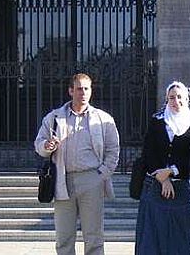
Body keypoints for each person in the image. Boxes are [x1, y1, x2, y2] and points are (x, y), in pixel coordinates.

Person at [34, 73, 120, 255]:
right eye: (79, 88)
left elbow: (113, 150)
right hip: (63, 180)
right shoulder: (54, 118)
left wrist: (102, 173)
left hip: (92, 179)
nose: (83, 93)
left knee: (94, 236)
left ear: (91, 92)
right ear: (70, 91)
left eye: (86, 89)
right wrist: (47, 146)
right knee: (64, 237)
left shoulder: (103, 119)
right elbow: (39, 145)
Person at [135, 81, 190, 255]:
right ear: (167, 100)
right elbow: (148, 152)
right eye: (172, 98)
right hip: (156, 186)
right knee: (153, 240)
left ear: (186, 98)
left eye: (180, 97)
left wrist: (172, 171)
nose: (176, 101)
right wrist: (162, 177)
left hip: (184, 188)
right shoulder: (156, 122)